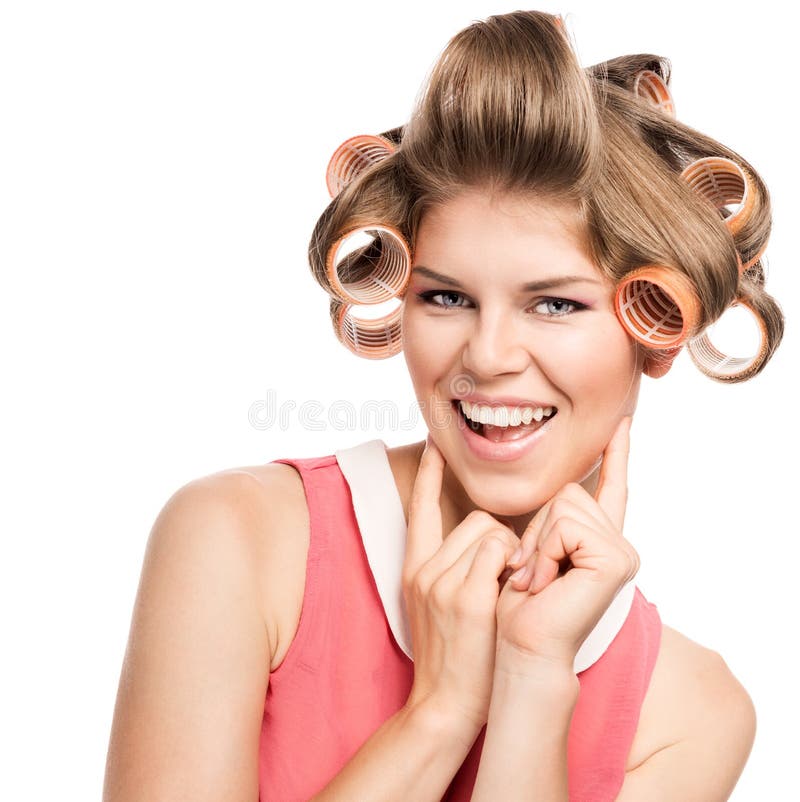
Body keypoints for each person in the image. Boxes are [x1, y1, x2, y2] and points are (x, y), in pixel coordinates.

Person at [102, 10, 784, 801]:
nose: (488, 357)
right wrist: (438, 714)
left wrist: (531, 683)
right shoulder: (236, 540)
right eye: (448, 296)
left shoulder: (691, 716)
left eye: (555, 305)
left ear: (658, 321)